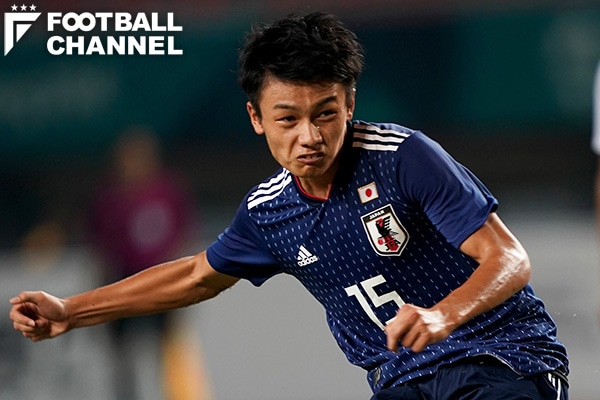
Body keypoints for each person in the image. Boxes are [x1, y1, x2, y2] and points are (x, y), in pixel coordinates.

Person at [10, 12, 568, 400]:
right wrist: (71, 311)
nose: (310, 136)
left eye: (326, 113)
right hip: (403, 383)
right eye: (288, 119)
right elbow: (195, 277)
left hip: (501, 360)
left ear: (350, 103)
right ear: (256, 119)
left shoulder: (404, 158)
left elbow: (509, 258)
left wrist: (442, 314)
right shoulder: (269, 213)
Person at [87, 127, 196, 400]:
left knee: (169, 349)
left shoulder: (167, 191)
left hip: (162, 278)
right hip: (125, 279)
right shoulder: (110, 197)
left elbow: (183, 230)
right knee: (124, 354)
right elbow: (99, 241)